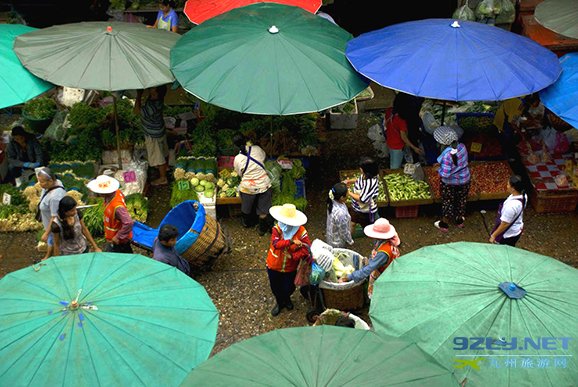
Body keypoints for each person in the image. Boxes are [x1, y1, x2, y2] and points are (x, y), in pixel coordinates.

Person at [266, 203, 311, 317]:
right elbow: (276, 244)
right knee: (275, 287)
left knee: (289, 287)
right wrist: (290, 241)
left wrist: (293, 256)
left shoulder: (301, 232)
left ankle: (287, 298)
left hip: (290, 267)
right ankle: (280, 302)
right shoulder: (277, 229)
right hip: (274, 264)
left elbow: (306, 249)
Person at [339, 218, 400, 299]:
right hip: (387, 266)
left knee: (379, 294)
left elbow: (369, 269)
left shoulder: (383, 253)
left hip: (385, 274)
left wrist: (350, 277)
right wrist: (370, 260)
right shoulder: (386, 240)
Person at [233, 133, 273, 236]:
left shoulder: (237, 158)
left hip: (248, 187)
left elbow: (239, 173)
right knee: (263, 209)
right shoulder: (257, 149)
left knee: (246, 207)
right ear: (246, 140)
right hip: (264, 184)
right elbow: (263, 158)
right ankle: (262, 230)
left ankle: (247, 223)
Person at [433, 126, 471, 232]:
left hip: (450, 183)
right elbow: (460, 162)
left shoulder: (447, 156)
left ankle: (444, 224)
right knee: (461, 200)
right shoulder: (462, 147)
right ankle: (459, 221)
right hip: (464, 180)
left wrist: (438, 169)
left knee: (448, 202)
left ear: (443, 143)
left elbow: (445, 174)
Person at [86, 175, 134, 253]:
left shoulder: (117, 207)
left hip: (119, 241)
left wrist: (118, 237)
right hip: (113, 238)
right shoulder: (115, 193)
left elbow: (128, 222)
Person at [134, 85, 169, 186]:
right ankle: (165, 168)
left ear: (156, 92)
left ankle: (163, 178)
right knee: (163, 151)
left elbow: (136, 111)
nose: (150, 87)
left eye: (153, 88)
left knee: (159, 157)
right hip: (159, 130)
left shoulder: (151, 106)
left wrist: (139, 95)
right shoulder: (158, 100)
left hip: (153, 135)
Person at [384, 93, 424, 169]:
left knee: (393, 159)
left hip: (390, 141)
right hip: (397, 145)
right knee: (395, 167)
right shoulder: (401, 120)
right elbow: (403, 137)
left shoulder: (389, 111)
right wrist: (414, 148)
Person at [342, 156, 379, 234]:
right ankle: (349, 238)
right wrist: (349, 181)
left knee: (366, 226)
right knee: (352, 223)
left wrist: (348, 192)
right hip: (357, 207)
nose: (360, 169)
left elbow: (363, 199)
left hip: (364, 210)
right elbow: (359, 179)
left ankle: (373, 234)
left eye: (361, 168)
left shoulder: (370, 183)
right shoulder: (367, 175)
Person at [36, 168, 66, 260]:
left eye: (42, 182)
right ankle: (48, 256)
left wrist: (46, 232)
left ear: (51, 180)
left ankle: (56, 259)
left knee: (55, 241)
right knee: (51, 240)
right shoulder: (56, 183)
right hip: (49, 223)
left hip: (54, 225)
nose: (40, 184)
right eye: (39, 181)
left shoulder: (54, 197)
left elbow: (54, 217)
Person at [489, 175, 527, 247]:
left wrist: (494, 235)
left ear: (513, 188)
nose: (507, 186)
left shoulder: (511, 206)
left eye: (508, 184)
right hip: (517, 229)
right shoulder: (523, 196)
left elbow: (505, 224)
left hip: (508, 235)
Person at [326, 182, 354, 248]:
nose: (348, 194)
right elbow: (344, 231)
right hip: (337, 241)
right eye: (347, 193)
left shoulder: (332, 201)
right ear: (342, 197)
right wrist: (350, 241)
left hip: (331, 234)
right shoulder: (341, 214)